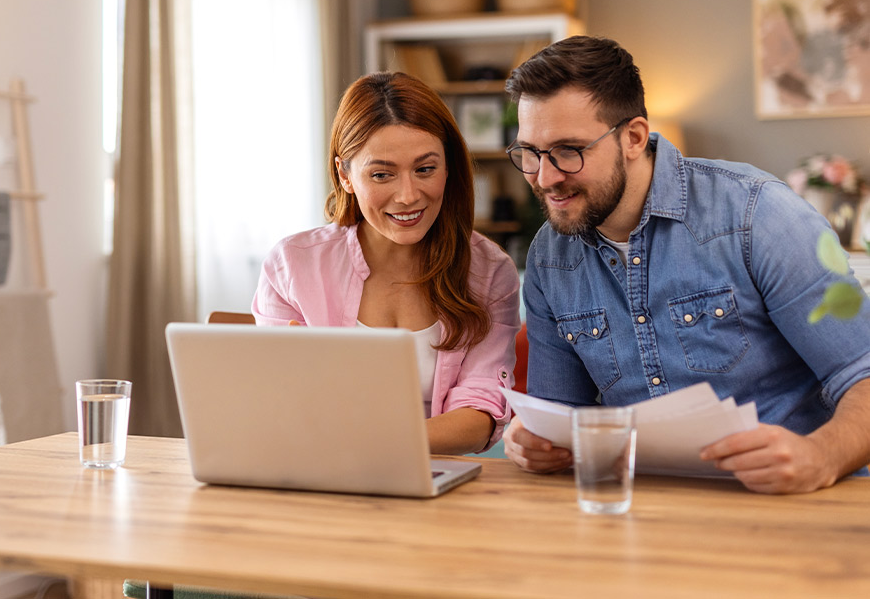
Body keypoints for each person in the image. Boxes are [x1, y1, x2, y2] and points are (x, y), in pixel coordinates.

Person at [501, 35, 870, 494]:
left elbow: (862, 373)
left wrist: (821, 456)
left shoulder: (760, 216)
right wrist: (534, 443)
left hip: (790, 504)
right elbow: (559, 413)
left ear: (633, 137)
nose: (546, 177)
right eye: (530, 153)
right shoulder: (549, 257)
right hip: (642, 512)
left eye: (568, 151)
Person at [251, 71, 521, 455]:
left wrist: (377, 442)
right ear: (345, 175)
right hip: (325, 477)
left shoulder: (490, 272)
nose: (408, 196)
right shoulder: (292, 266)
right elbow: (276, 408)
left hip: (438, 481)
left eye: (425, 169)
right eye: (382, 174)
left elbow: (480, 413)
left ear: (449, 167)